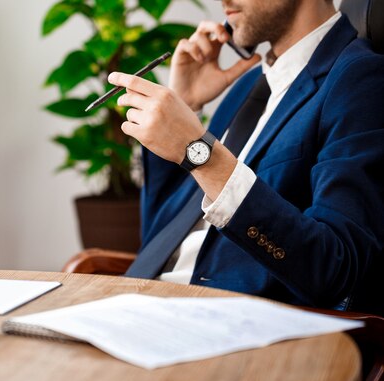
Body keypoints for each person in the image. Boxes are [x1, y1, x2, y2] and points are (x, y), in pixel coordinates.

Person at [107, 0, 384, 314]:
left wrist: (199, 153)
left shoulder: (362, 80)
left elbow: (335, 269)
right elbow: (158, 243)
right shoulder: (247, 89)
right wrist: (186, 106)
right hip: (142, 304)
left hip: (227, 325)